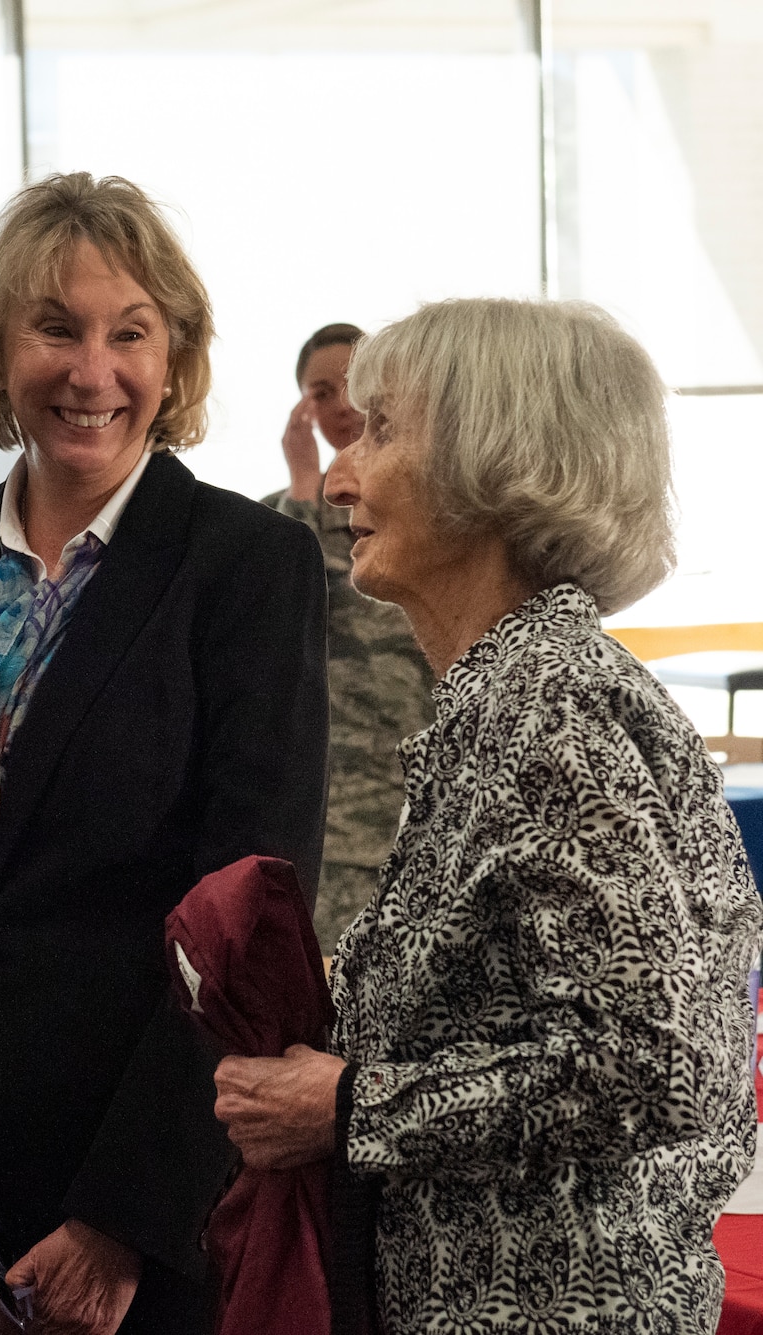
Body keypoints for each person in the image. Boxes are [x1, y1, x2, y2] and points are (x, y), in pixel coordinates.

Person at [0, 172, 329, 1335]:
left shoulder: (245, 567)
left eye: (129, 333)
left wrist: (122, 1221)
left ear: (175, 359)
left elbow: (246, 920)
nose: (89, 371)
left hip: (152, 1205)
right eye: (53, 327)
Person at [213, 298, 761, 1334]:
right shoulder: (504, 697)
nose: (338, 478)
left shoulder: (549, 710)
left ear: (491, 465)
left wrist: (341, 1109)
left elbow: (652, 1061)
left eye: (380, 430)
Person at [263, 323, 434, 948]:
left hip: (429, 805)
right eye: (321, 392)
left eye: (353, 387)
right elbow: (279, 627)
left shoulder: (426, 515)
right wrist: (305, 494)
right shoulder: (280, 525)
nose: (342, 407)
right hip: (340, 822)